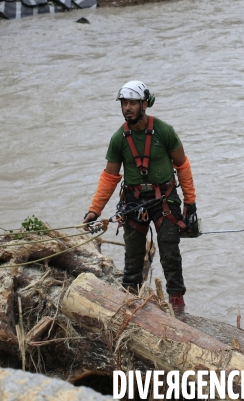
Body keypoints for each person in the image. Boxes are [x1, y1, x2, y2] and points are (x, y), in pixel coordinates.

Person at [83, 80, 198, 317]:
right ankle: (130, 306)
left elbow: (182, 166)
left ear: (145, 104)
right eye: (124, 103)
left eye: (133, 102)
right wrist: (94, 210)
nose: (128, 108)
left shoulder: (164, 132)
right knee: (133, 257)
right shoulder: (119, 139)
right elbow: (109, 177)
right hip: (134, 202)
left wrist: (190, 204)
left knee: (169, 251)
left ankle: (177, 304)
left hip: (164, 199)